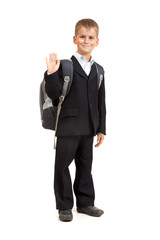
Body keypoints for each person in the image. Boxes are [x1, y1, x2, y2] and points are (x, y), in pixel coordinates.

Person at [44, 18, 106, 222]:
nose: (86, 40)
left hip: (89, 128)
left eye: (90, 37)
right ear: (75, 39)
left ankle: (86, 203)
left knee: (85, 166)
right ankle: (64, 206)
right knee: (62, 167)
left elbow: (101, 101)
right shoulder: (65, 66)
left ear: (97, 41)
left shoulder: (99, 70)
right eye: (82, 37)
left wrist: (101, 128)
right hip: (68, 127)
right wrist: (52, 73)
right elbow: (53, 94)